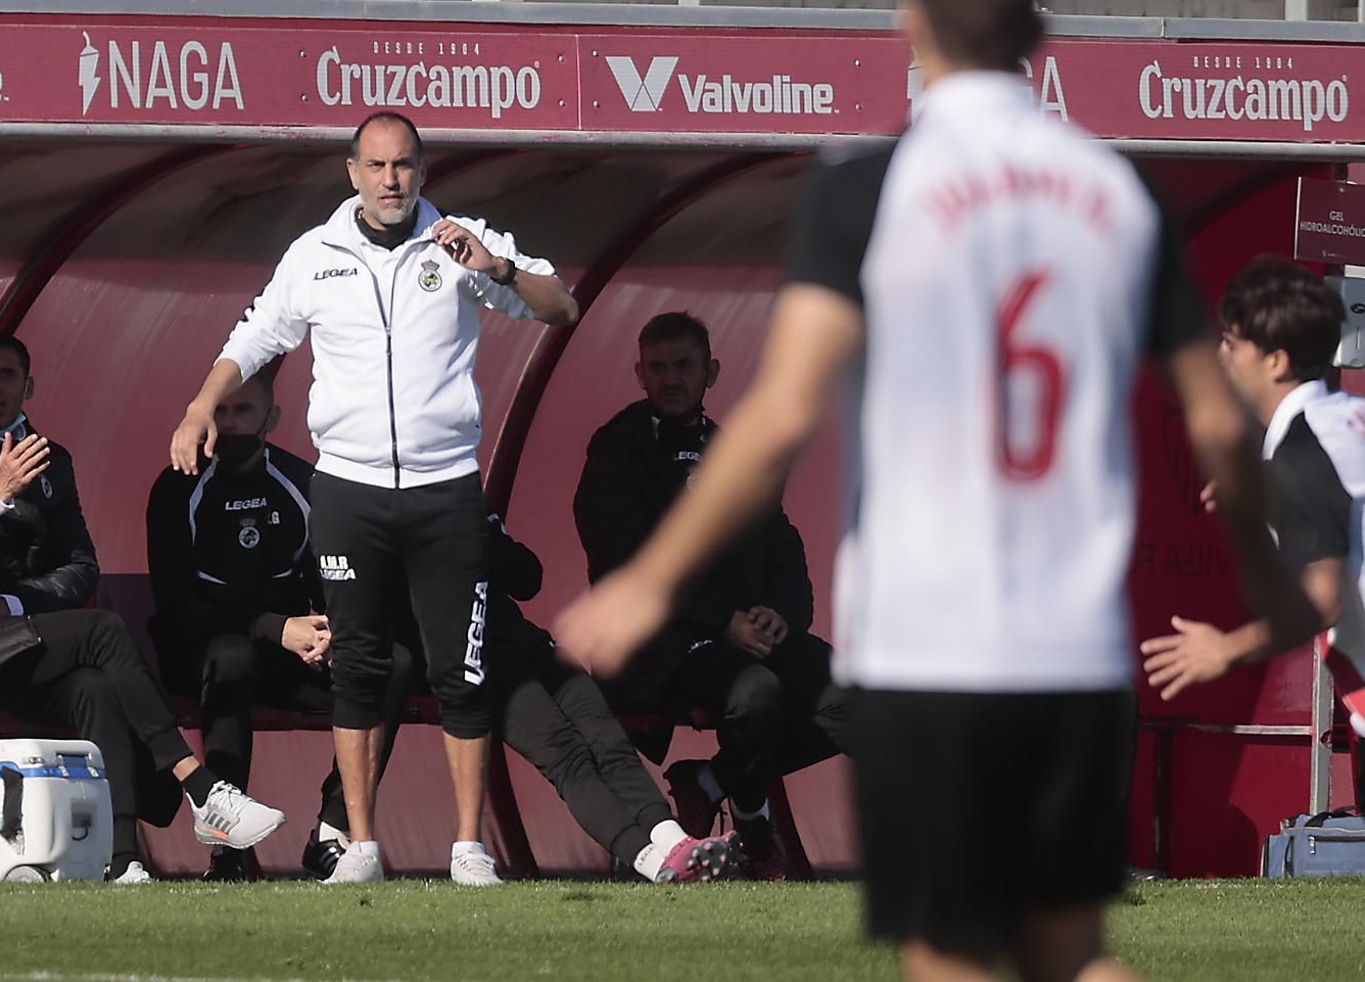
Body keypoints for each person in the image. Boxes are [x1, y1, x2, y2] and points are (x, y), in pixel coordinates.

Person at [557, 2, 1316, 980]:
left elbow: (783, 410)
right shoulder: (1117, 189)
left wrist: (647, 582)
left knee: (951, 959)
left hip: (932, 642)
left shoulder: (870, 184)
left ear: (910, 23)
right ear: (1038, 32)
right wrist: (1268, 574)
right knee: (1072, 955)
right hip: (1074, 647)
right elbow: (1217, 422)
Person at [169, 111, 578, 885]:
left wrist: (494, 267)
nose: (392, 181)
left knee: (461, 668)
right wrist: (199, 407)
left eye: (405, 167)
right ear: (351, 172)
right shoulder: (313, 254)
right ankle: (358, 845)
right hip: (350, 489)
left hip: (446, 487)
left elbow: (563, 306)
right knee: (357, 665)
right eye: (378, 167)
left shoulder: (460, 242)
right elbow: (255, 336)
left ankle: (468, 847)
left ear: (423, 172)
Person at [0, 333, 287, 884]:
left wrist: (10, 604)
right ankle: (201, 788)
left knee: (96, 688)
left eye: (6, 375)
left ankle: (122, 858)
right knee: (103, 631)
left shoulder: (54, 461)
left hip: (22, 642)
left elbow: (81, 569)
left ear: (28, 386)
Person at [573, 311, 848, 879]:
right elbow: (624, 564)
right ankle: (752, 827)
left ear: (711, 373)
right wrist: (720, 620)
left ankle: (712, 782)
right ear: (640, 375)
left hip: (747, 635)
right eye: (658, 368)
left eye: (684, 366)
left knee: (856, 695)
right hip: (660, 644)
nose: (671, 379)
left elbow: (783, 544)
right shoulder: (618, 449)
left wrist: (782, 616)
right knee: (757, 695)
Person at [147, 371, 416, 881]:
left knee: (390, 663)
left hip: (293, 651)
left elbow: (337, 575)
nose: (228, 425)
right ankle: (228, 846)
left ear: (271, 419)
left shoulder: (303, 483)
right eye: (219, 413)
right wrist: (276, 628)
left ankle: (332, 832)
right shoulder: (177, 487)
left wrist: (335, 631)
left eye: (242, 412)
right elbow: (178, 607)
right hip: (202, 653)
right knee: (231, 656)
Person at [1142, 260, 1365, 740]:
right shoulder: (1348, 416)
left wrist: (1225, 649)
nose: (1221, 359)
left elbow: (1323, 602)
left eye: (1231, 343)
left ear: (1275, 361)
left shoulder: (1298, 459)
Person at [485, 514, 739, 883]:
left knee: (606, 736)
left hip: (527, 642)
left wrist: (479, 529)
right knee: (567, 755)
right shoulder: (392, 501)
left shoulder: (467, 501)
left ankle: (677, 843)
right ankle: (654, 864)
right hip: (473, 654)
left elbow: (528, 578)